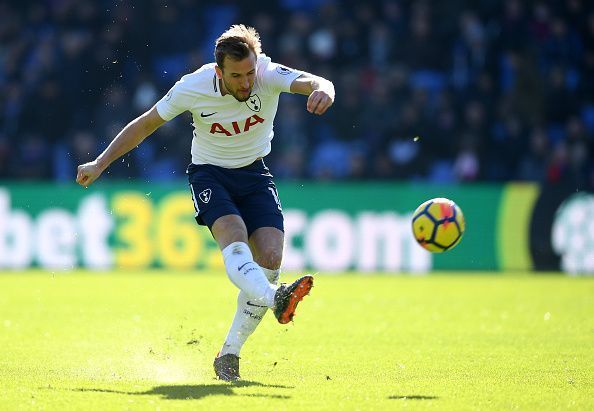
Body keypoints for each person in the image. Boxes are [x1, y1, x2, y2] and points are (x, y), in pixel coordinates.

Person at [75, 24, 335, 381]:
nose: (246, 83)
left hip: (256, 174)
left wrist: (323, 89)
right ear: (218, 72)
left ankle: (229, 354)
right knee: (235, 233)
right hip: (210, 174)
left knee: (271, 258)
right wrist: (100, 162)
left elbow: (318, 81)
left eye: (249, 73)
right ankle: (277, 299)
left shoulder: (268, 74)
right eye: (236, 76)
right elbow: (145, 123)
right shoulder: (192, 86)